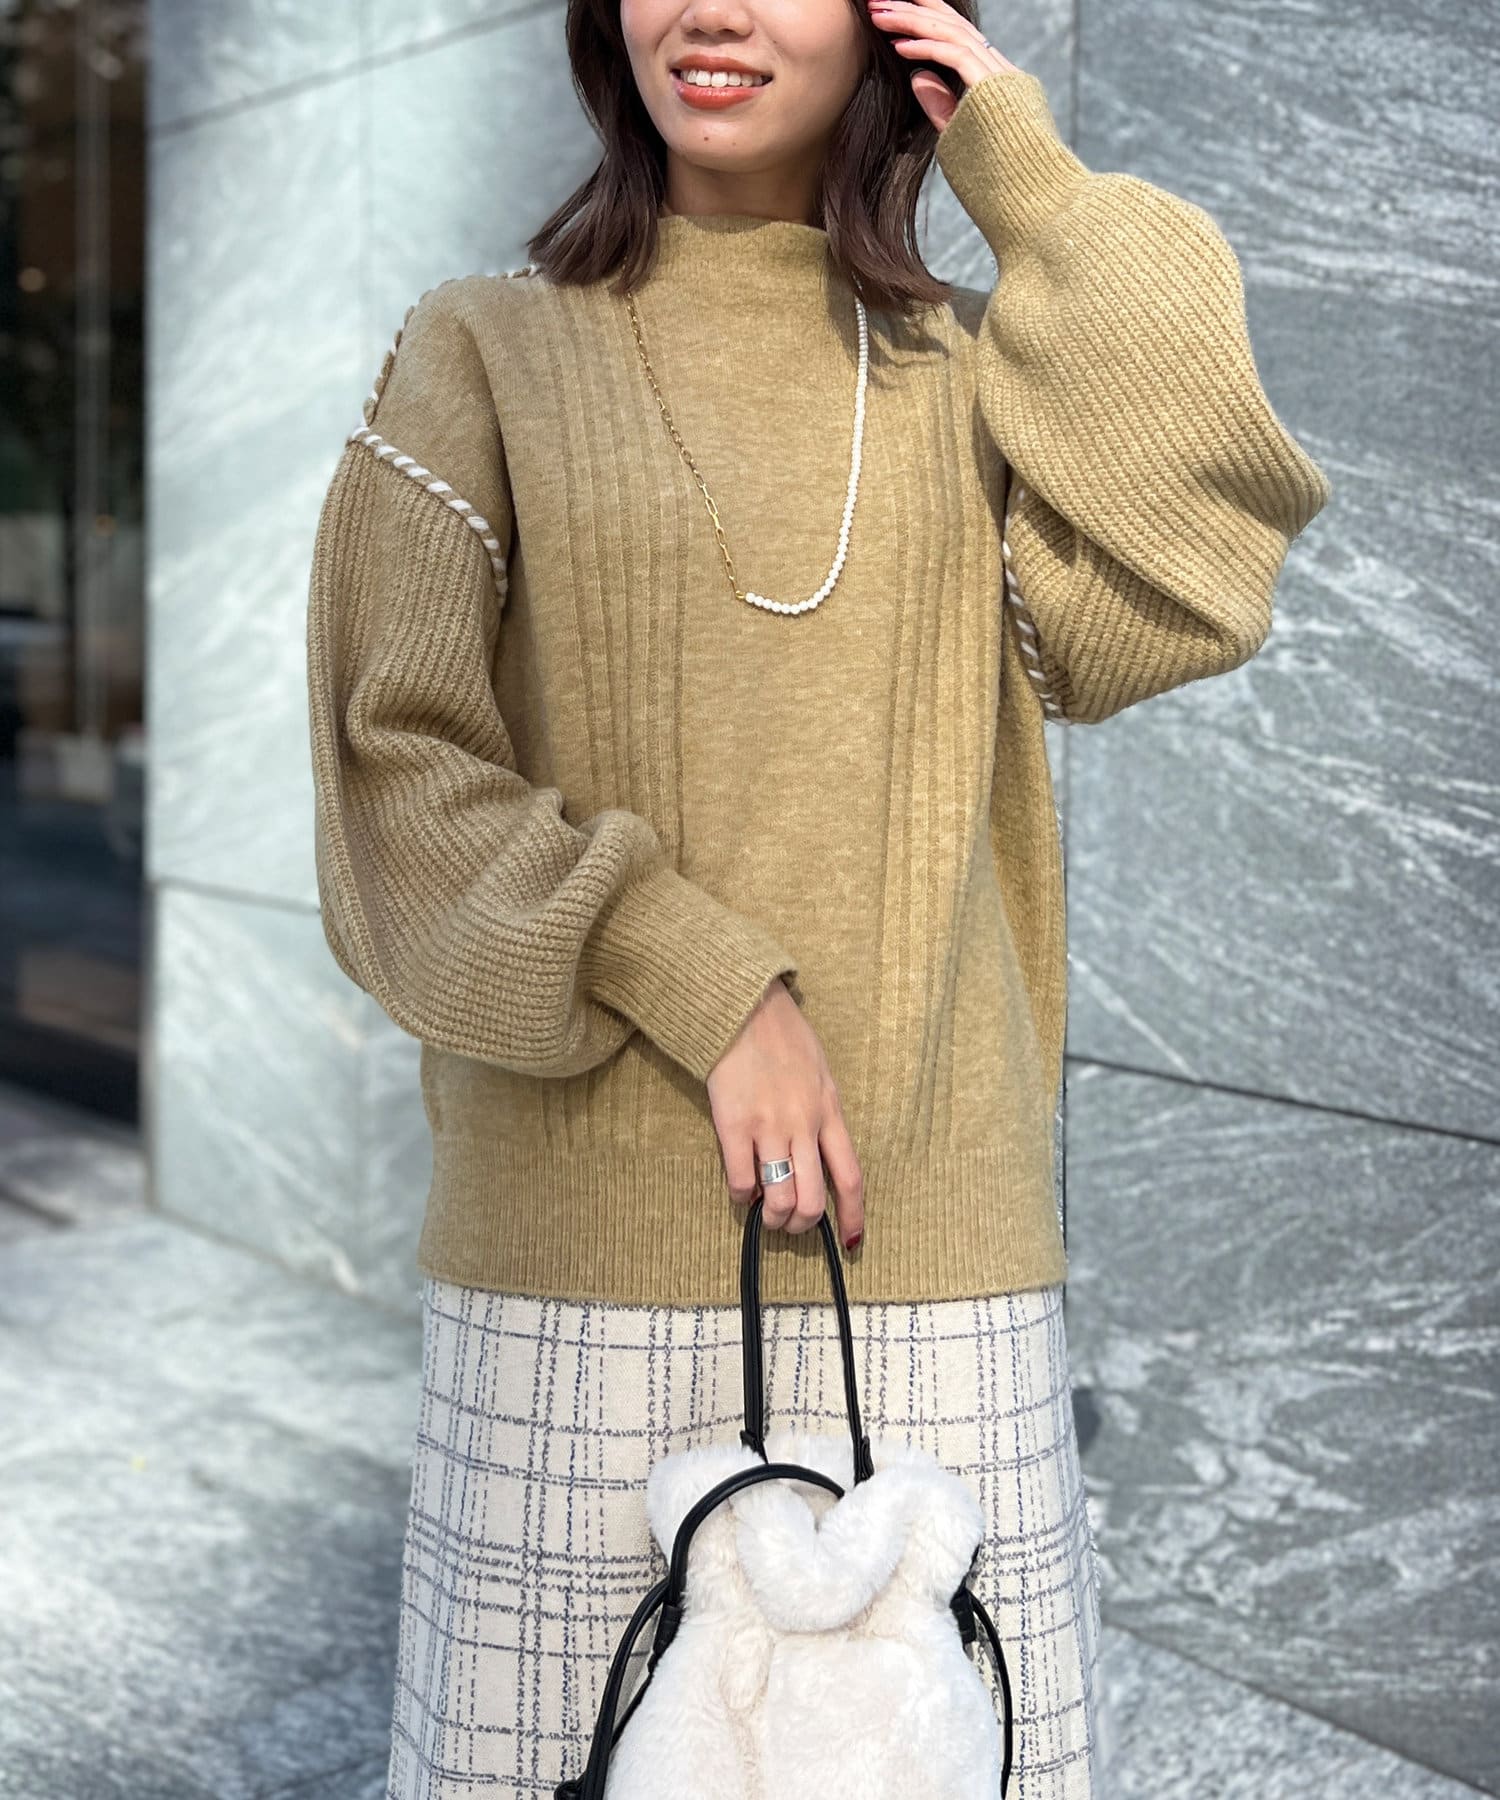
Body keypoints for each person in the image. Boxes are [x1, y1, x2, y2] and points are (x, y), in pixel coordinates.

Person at [304, 2, 1331, 1795]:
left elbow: (1197, 580)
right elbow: (397, 775)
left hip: (932, 1255)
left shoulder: (972, 380)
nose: (708, 12)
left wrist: (1029, 182)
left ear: (886, 25)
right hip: (578, 1269)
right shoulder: (482, 350)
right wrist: (709, 982)